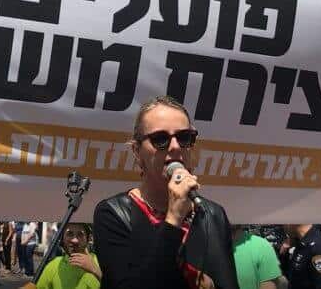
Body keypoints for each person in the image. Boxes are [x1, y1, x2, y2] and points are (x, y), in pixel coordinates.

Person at [92, 95, 240, 289]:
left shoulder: (212, 214)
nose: (175, 147)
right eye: (160, 139)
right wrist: (173, 219)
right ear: (137, 151)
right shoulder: (113, 213)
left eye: (184, 137)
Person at [21, 223, 101, 289]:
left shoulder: (102, 263)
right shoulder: (54, 265)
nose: (74, 240)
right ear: (62, 238)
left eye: (80, 235)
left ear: (88, 238)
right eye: (70, 234)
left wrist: (96, 271)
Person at [280, 224, 321, 289]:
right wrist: (284, 255)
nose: (283, 227)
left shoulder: (317, 247)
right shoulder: (301, 243)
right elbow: (294, 277)